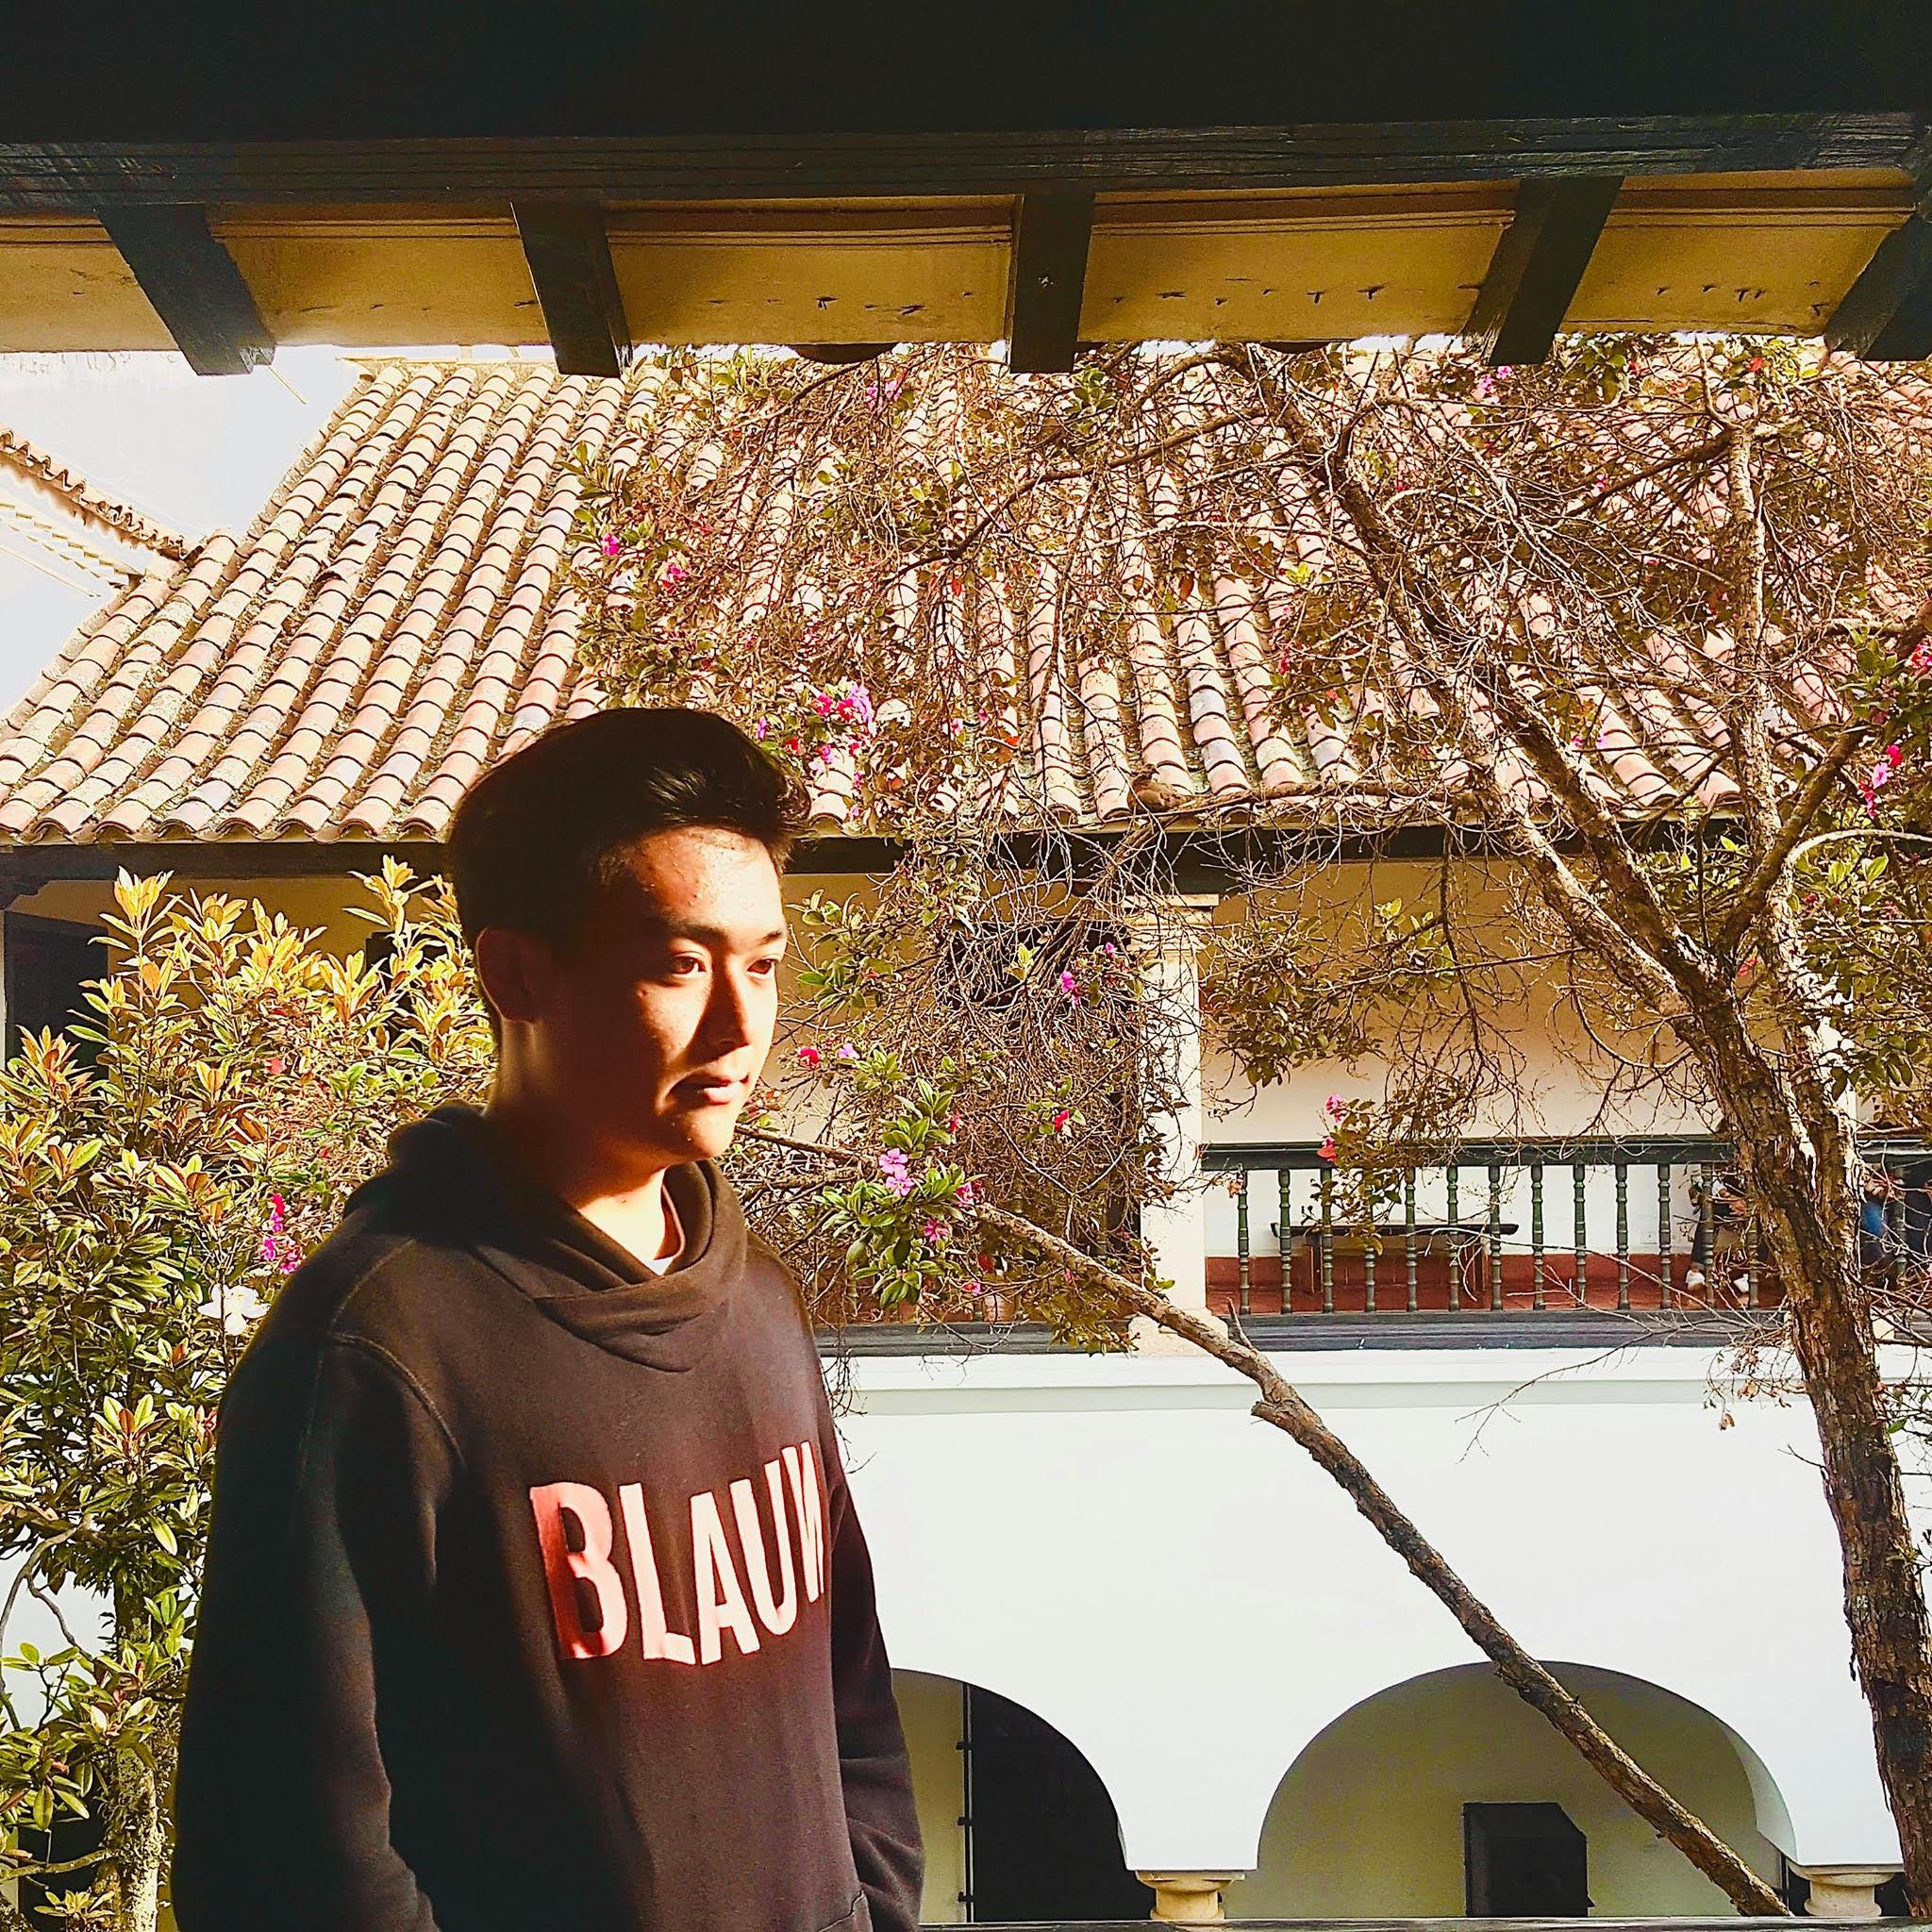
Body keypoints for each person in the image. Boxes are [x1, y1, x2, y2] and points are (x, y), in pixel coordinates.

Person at [174, 708, 923, 1932]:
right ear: (517, 971)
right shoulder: (374, 1354)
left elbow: (850, 1698)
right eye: (681, 963)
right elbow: (290, 1864)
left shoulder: (760, 1303)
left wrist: (872, 1907)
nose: (742, 1029)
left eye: (765, 962)